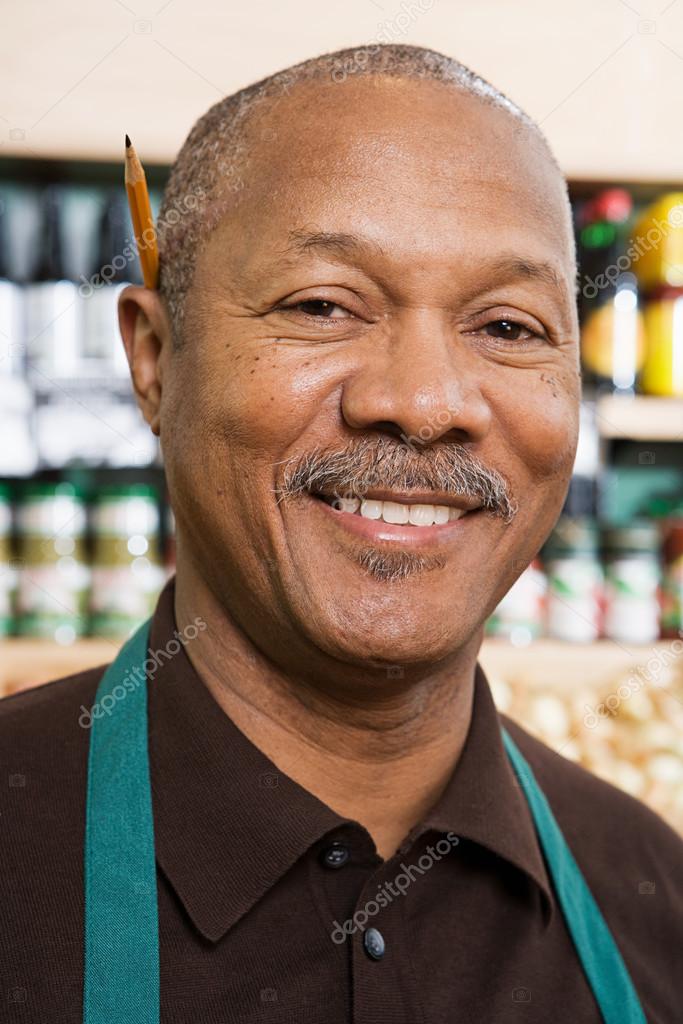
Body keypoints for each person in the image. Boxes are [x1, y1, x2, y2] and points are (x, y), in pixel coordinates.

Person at [2, 43, 681, 1024]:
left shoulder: (649, 901)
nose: (420, 401)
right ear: (154, 360)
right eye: (322, 306)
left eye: (506, 327)